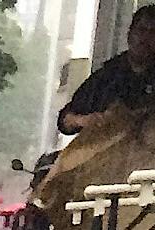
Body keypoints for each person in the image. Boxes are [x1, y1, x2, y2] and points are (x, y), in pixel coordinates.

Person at [58, 4, 155, 136]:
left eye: (153, 32)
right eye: (141, 30)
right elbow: (65, 120)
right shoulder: (108, 75)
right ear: (130, 34)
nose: (145, 38)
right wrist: (83, 120)